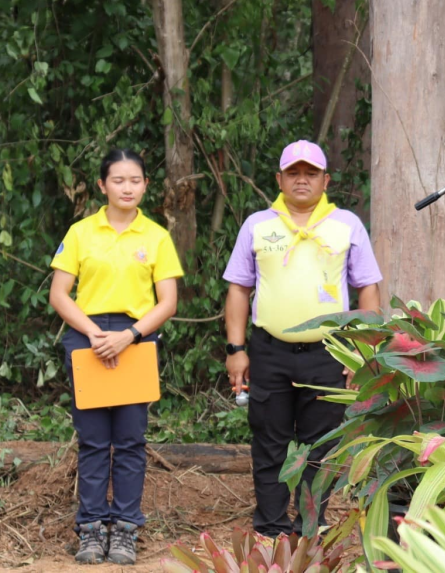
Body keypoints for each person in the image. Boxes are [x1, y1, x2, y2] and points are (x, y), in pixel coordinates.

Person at [222, 140, 382, 539]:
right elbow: (239, 289)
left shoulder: (346, 225)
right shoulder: (258, 225)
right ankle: (271, 528)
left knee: (320, 446)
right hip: (269, 351)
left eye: (311, 173)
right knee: (269, 441)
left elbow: (368, 290)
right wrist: (236, 350)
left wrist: (361, 351)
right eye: (293, 173)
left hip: (327, 354)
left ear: (325, 180)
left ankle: (310, 527)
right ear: (279, 179)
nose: (302, 180)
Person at [49, 148, 183, 565]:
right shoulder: (80, 232)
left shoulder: (156, 236)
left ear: (145, 185)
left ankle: (125, 529)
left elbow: (168, 302)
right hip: (86, 338)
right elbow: (59, 294)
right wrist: (93, 334)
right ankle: (90, 529)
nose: (127, 187)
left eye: (136, 180)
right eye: (118, 180)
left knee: (129, 441)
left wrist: (127, 336)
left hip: (136, 338)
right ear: (103, 185)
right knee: (92, 441)